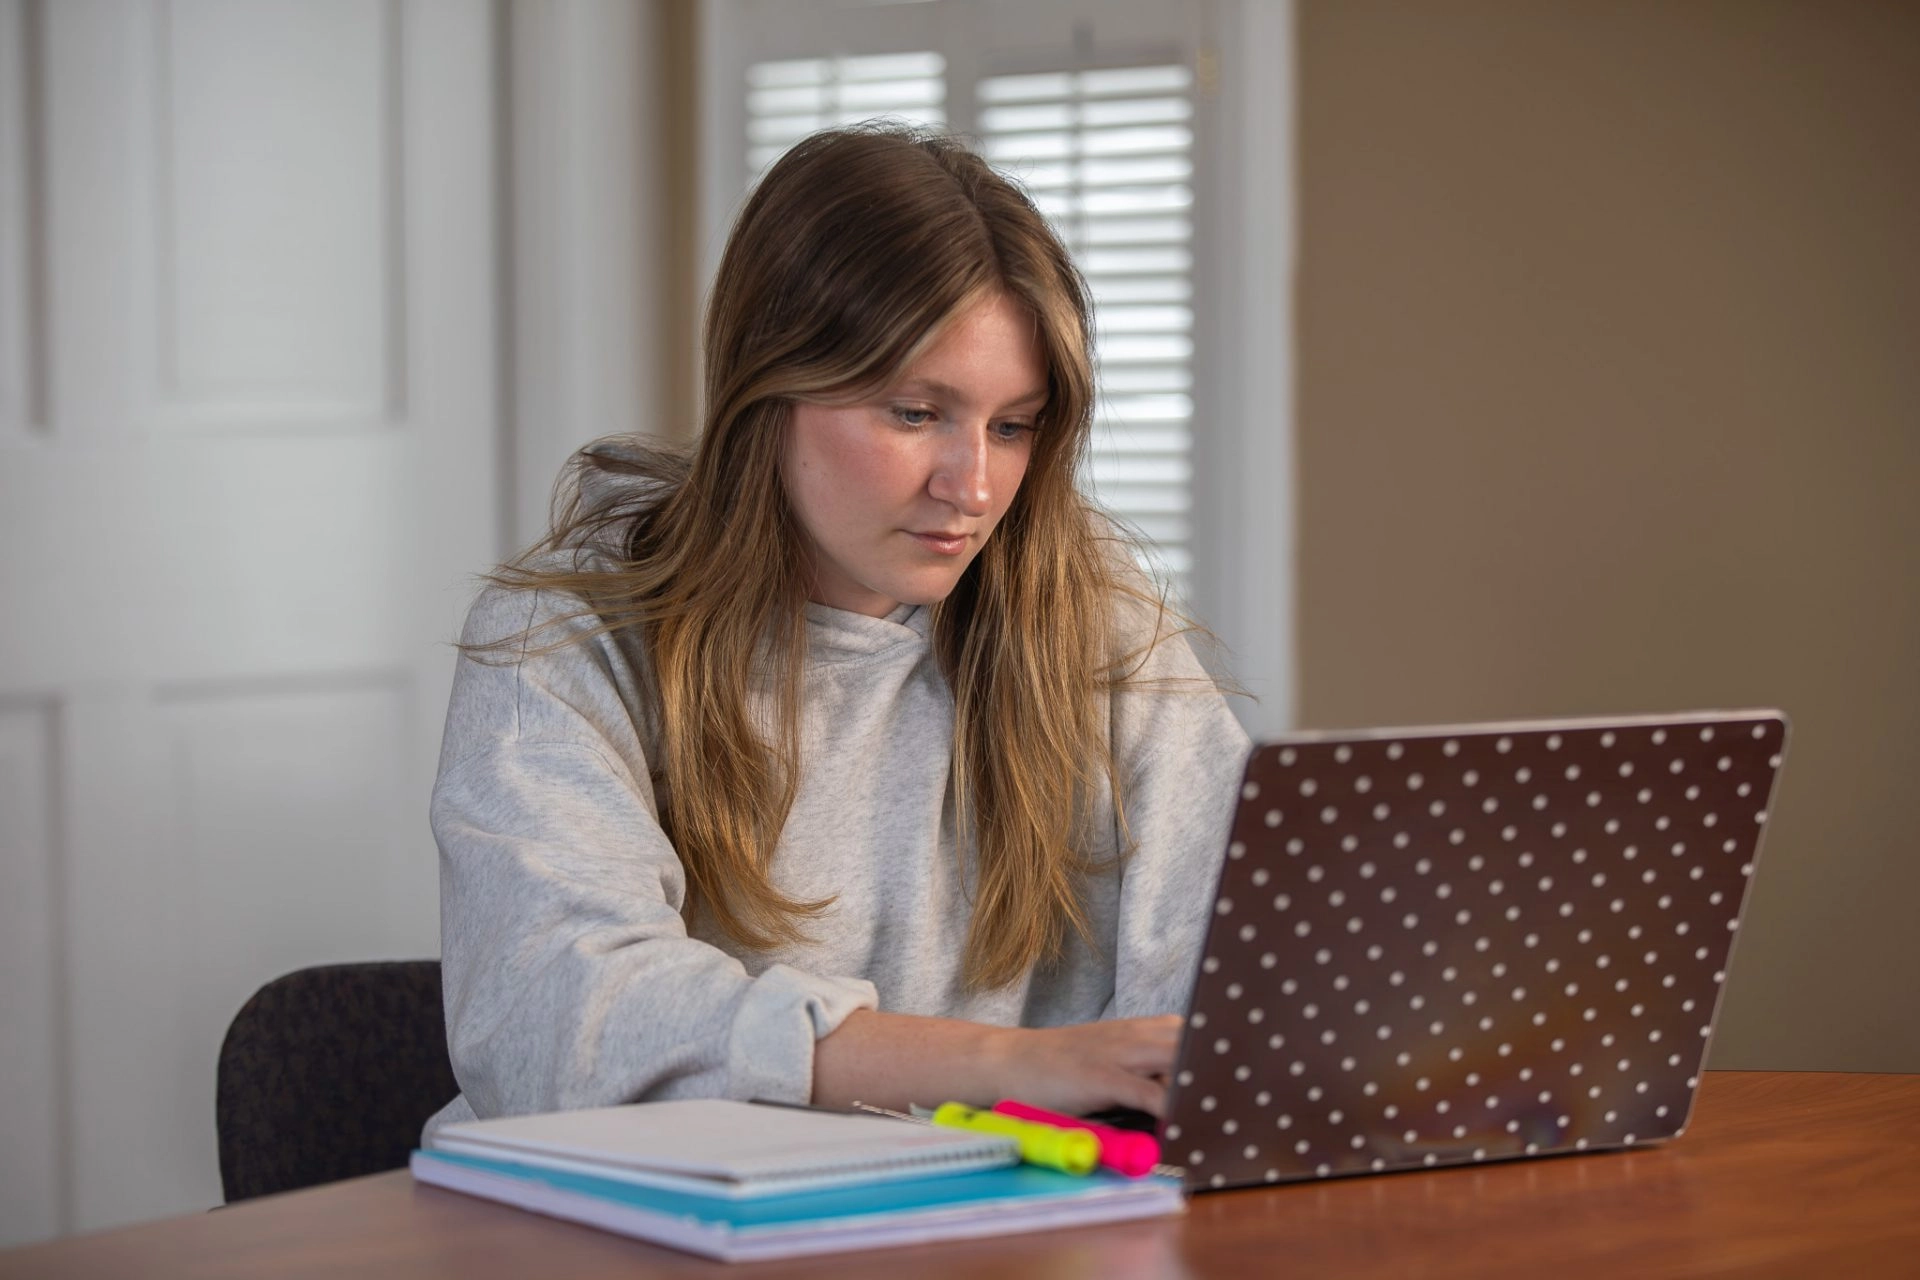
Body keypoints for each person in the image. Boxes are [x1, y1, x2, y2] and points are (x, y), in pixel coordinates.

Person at [423, 125, 1250, 1141]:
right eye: (915, 413)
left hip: (1003, 1214)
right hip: (625, 1213)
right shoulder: (564, 639)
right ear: (767, 387)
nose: (973, 487)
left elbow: (1230, 973)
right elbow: (557, 1025)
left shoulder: (1094, 619)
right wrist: (1009, 1066)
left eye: (1011, 426)